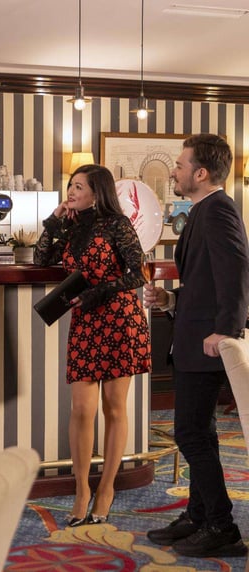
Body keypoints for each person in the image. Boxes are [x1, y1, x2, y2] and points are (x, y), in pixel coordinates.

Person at [144, 134, 249, 558]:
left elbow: (237, 271)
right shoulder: (205, 209)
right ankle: (199, 515)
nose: (174, 171)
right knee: (200, 432)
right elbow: (205, 281)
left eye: (180, 165)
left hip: (207, 343)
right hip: (193, 336)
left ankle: (222, 525)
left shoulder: (218, 210)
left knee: (190, 433)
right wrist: (170, 300)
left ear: (201, 173)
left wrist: (225, 330)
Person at [34, 164, 150, 527]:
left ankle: (107, 488)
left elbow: (139, 273)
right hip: (85, 322)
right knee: (82, 410)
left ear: (97, 193)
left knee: (114, 407)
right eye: (70, 185)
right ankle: (82, 488)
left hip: (119, 320)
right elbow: (41, 258)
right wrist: (54, 220)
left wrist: (98, 292)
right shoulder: (71, 227)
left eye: (78, 187)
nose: (71, 191)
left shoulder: (118, 224)